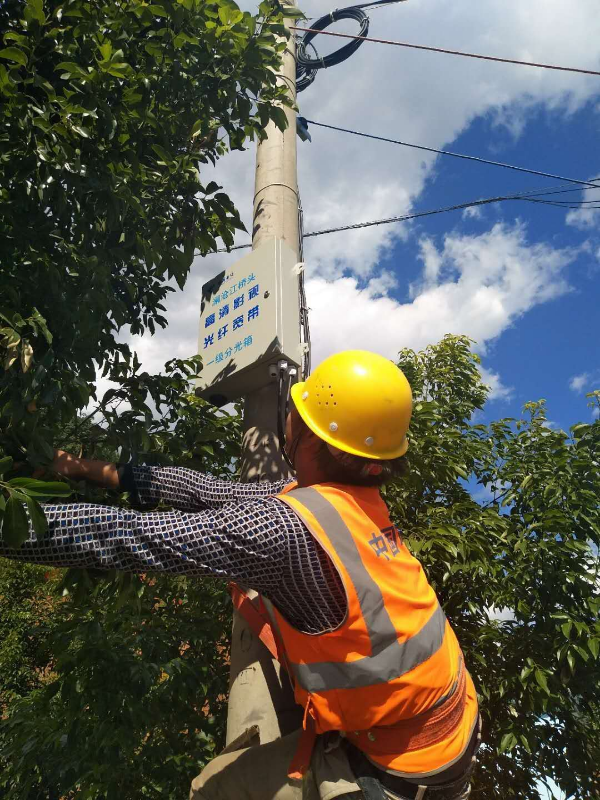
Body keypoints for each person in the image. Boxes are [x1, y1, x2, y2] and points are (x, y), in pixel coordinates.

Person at [0, 351, 480, 800]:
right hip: (453, 714)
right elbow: (208, 490)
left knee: (211, 790)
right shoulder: (345, 499)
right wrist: (89, 469)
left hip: (405, 769)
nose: (288, 416)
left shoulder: (287, 528)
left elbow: (131, 536)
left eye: (298, 410)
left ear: (310, 437)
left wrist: (13, 518)